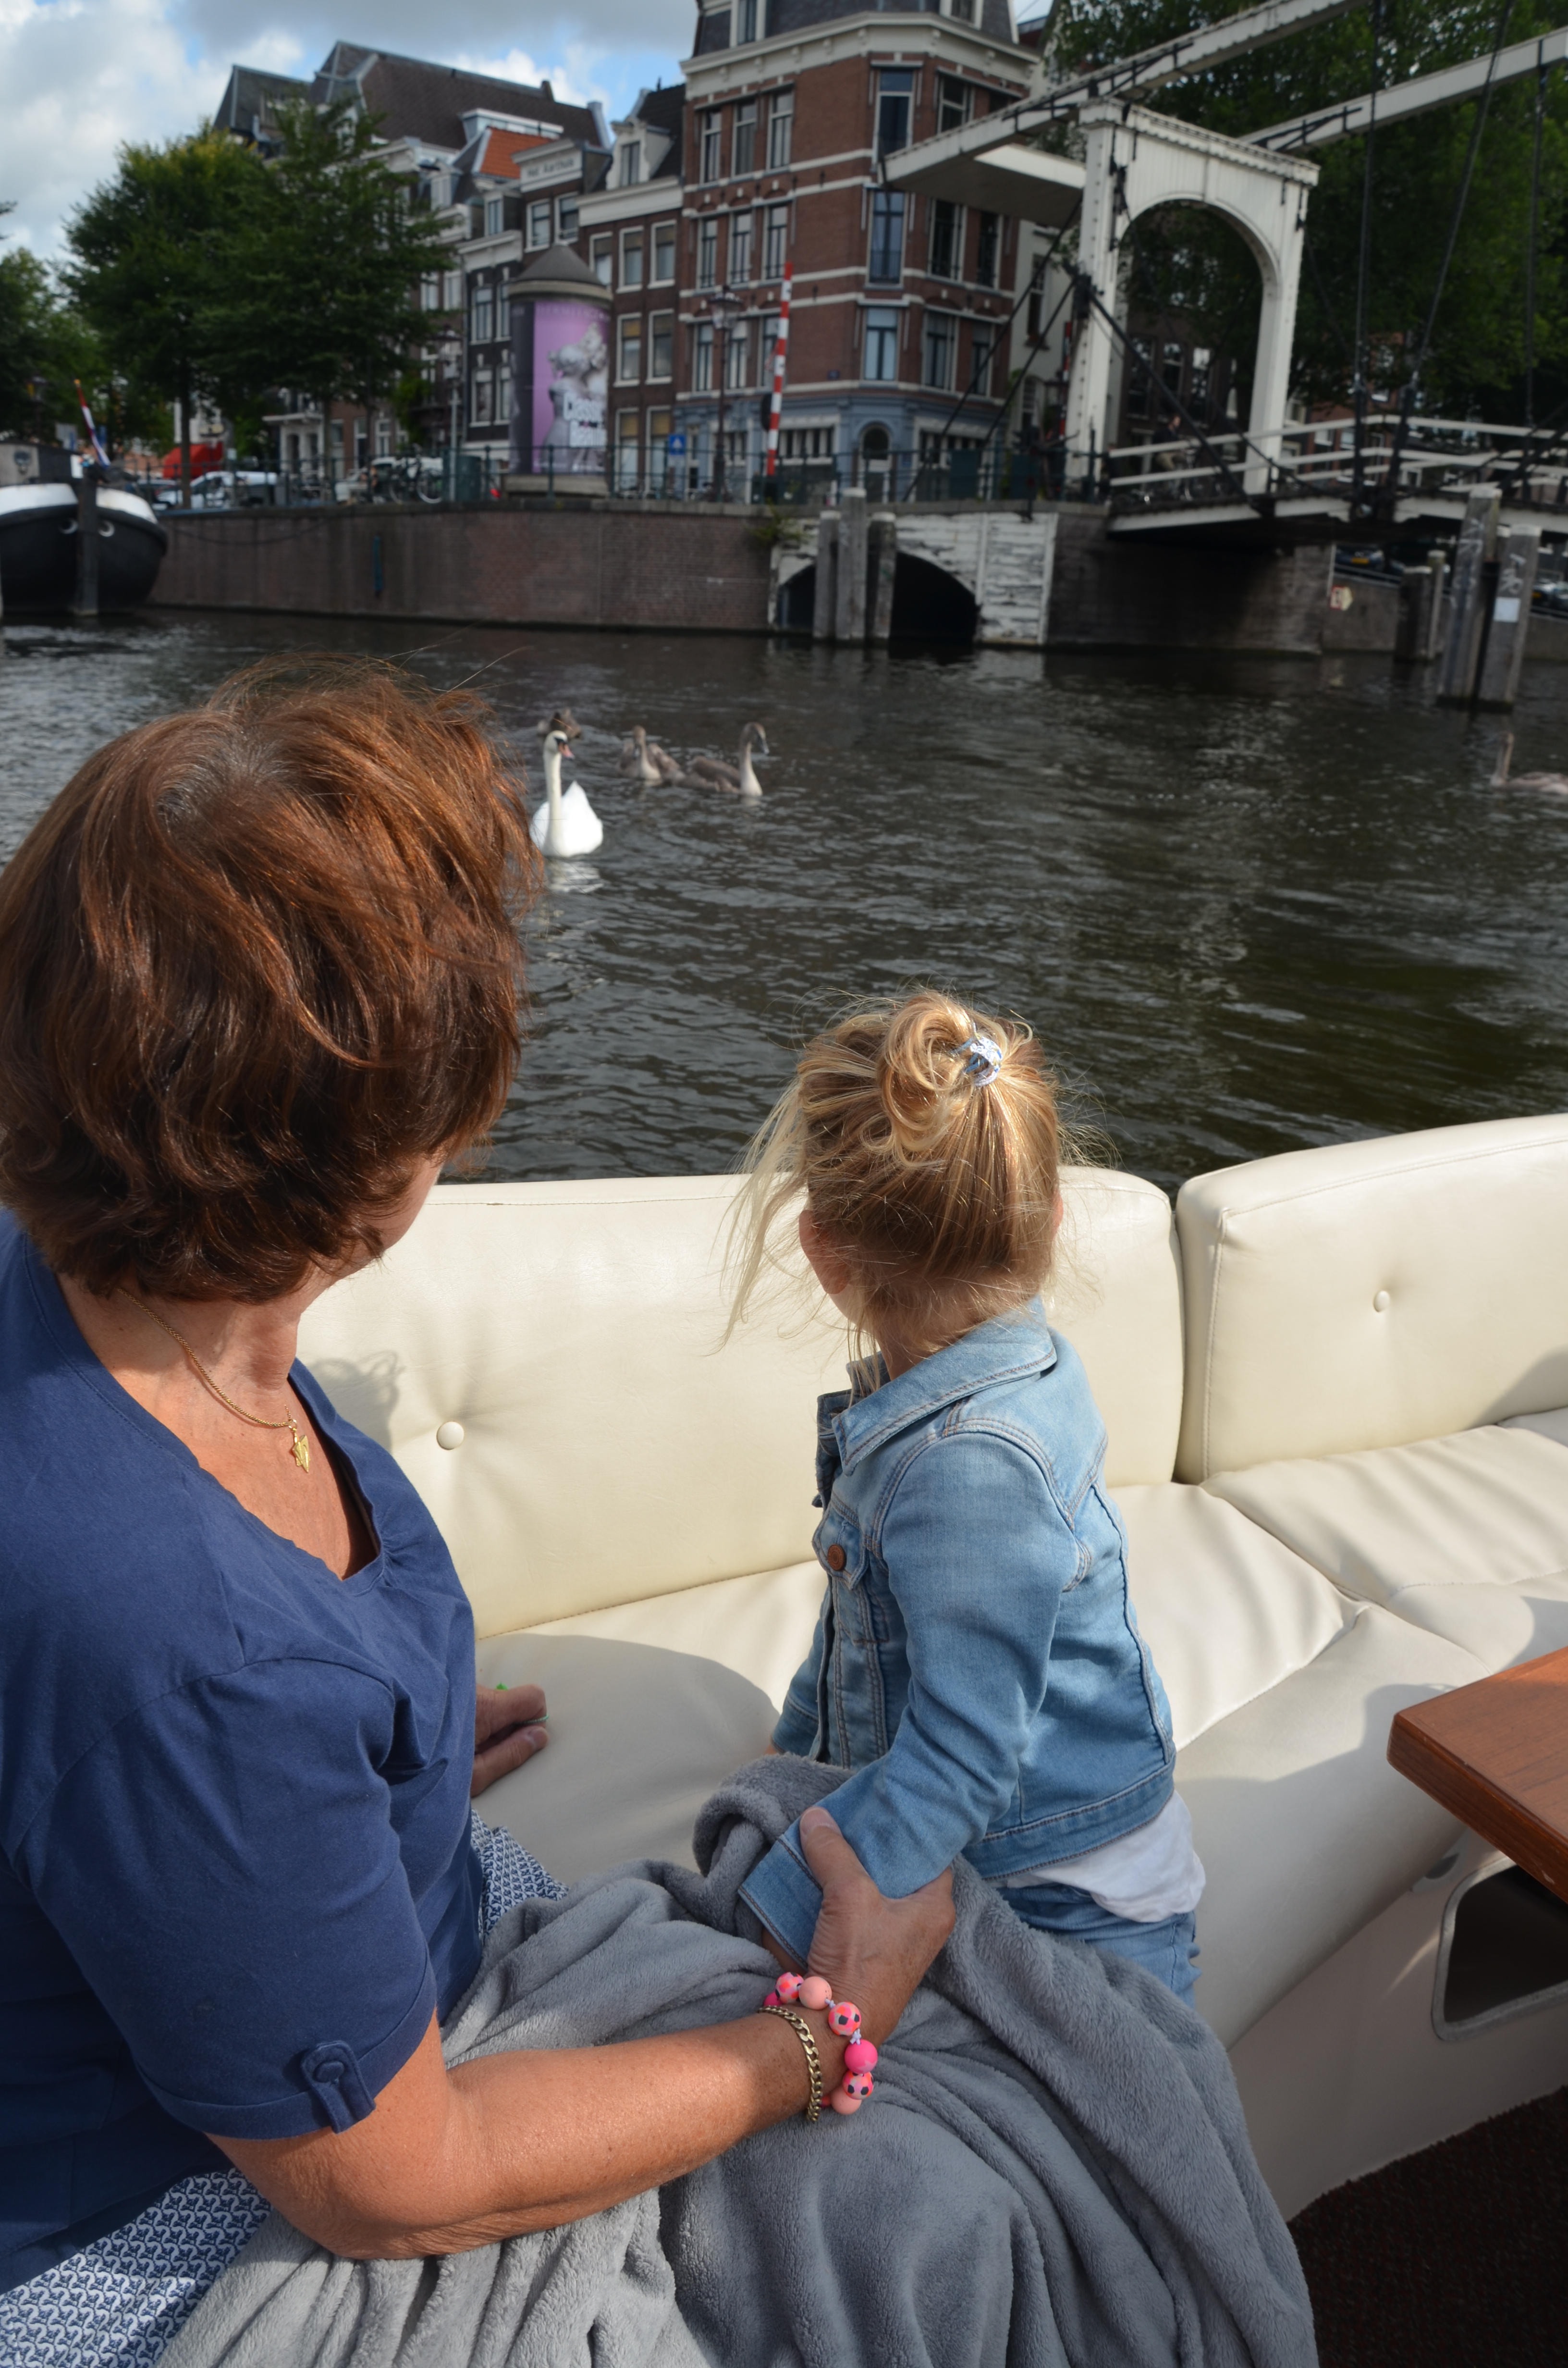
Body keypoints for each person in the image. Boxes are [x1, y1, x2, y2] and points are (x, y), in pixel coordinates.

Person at [0, 665, 952, 2356]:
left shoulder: (76, 1282)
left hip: (238, 1978)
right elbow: (397, 2182)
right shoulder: (186, 1646)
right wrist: (819, 2038)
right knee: (949, 2208)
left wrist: (350, 1795)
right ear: (380, 1166)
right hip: (149, 2217)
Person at [728, 992, 1203, 2002]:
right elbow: (862, 1622)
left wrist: (785, 1907)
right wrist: (792, 1747)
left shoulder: (971, 1465)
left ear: (823, 1252)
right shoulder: (992, 1379)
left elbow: (967, 1754)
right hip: (1020, 1834)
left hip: (1071, 1891)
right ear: (1050, 1222)